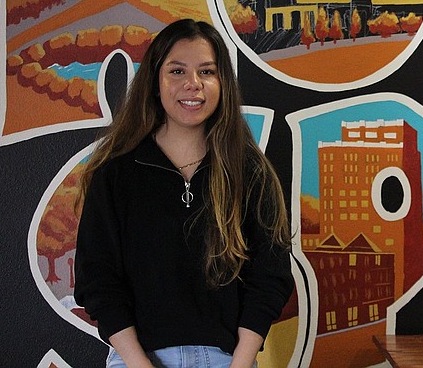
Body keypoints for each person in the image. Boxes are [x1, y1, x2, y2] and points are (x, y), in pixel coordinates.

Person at [74, 19, 293, 368]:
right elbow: (98, 281)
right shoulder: (116, 173)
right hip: (136, 359)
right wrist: (139, 363)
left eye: (207, 71)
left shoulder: (250, 172)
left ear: (223, 83)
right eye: (177, 71)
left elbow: (270, 278)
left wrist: (240, 363)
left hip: (229, 359)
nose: (193, 85)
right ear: (154, 82)